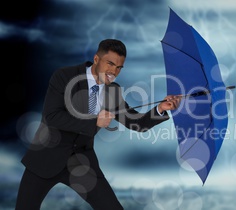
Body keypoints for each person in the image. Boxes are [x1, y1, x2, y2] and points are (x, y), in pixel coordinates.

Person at [15, 39, 181, 209]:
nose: (113, 72)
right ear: (96, 59)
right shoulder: (64, 76)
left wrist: (160, 108)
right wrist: (95, 121)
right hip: (46, 157)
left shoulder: (113, 91)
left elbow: (136, 123)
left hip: (82, 163)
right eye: (110, 64)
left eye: (119, 67)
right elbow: (52, 116)